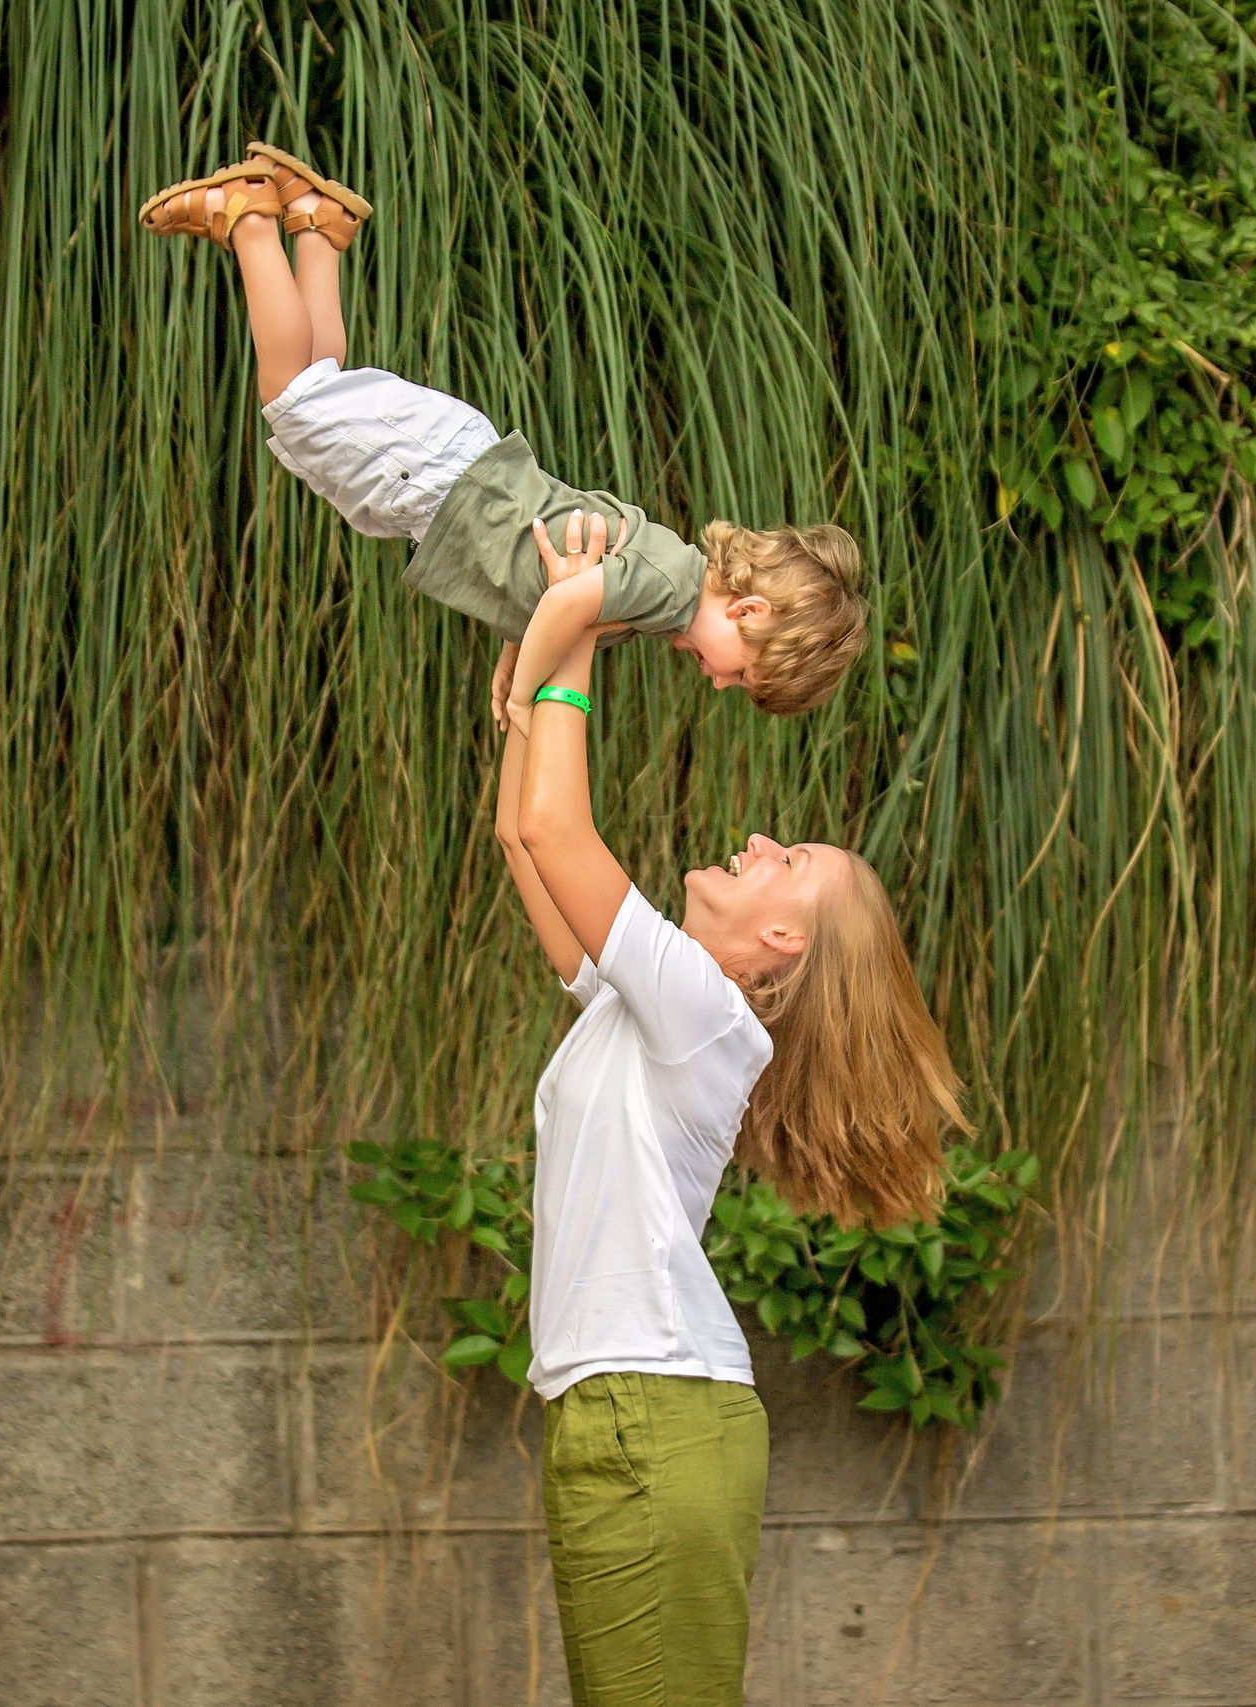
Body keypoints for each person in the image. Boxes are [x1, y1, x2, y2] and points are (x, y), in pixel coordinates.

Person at [487, 509, 967, 1704]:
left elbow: (558, 824)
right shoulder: (648, 1005)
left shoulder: (708, 1014)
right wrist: (560, 655)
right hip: (619, 1413)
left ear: (782, 941)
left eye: (785, 858)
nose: (755, 840)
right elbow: (519, 835)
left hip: (653, 1417)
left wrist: (583, 625)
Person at [138, 145, 869, 726]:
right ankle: (251, 222)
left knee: (318, 394)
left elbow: (555, 593)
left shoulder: (664, 578)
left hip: (442, 474)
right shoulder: (661, 586)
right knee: (294, 404)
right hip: (437, 478)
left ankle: (321, 232)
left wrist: (516, 648)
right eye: (738, 671)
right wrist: (524, 692)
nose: (717, 681)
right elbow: (566, 604)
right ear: (747, 611)